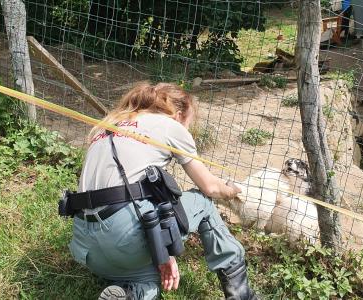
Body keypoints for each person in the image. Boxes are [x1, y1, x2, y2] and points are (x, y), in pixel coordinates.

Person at [68, 81, 257, 300]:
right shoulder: (169, 126)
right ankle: (241, 294)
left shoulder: (108, 125)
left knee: (151, 279)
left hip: (86, 248)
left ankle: (128, 294)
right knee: (203, 201)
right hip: (123, 238)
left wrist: (164, 253)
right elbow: (211, 187)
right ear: (178, 115)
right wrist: (233, 190)